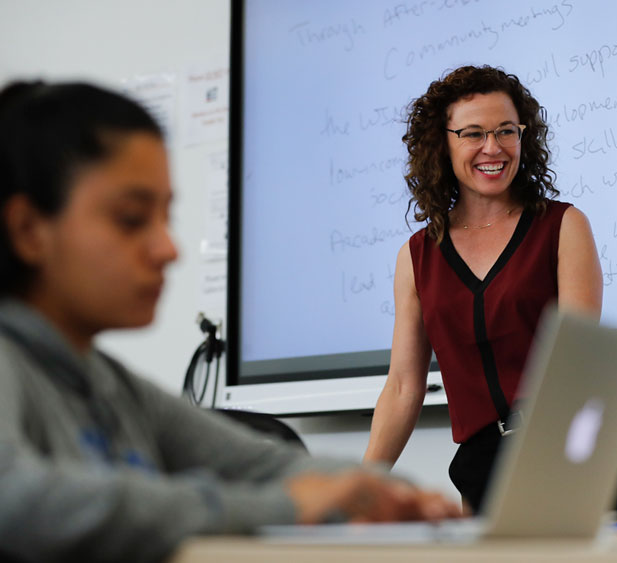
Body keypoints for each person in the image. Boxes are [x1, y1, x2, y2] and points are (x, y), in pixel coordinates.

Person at [0, 81, 460, 563]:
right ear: (29, 231)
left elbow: (267, 465)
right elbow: (19, 500)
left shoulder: (115, 386)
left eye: (166, 216)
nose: (168, 248)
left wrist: (395, 494)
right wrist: (285, 508)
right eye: (132, 218)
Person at [363, 65, 617, 518]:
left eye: (506, 131)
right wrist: (361, 489)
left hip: (571, 456)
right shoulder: (417, 256)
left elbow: (578, 367)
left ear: (523, 136)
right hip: (482, 470)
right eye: (473, 133)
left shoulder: (563, 226)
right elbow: (401, 387)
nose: (492, 148)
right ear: (444, 142)